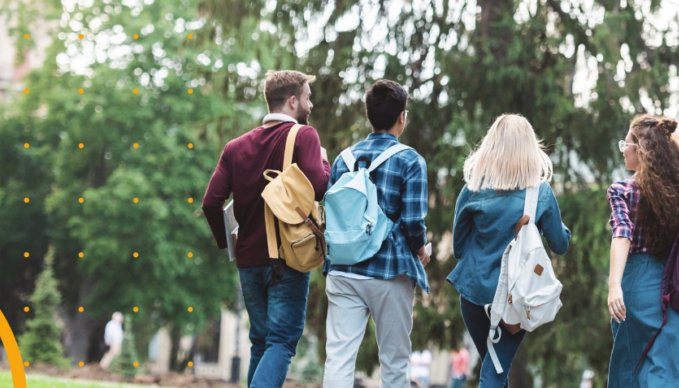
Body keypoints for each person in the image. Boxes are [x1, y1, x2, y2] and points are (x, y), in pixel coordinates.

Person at [202, 70, 331, 388]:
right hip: (287, 259)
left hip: (248, 262)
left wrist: (228, 242)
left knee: (261, 342)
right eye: (307, 97)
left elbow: (210, 203)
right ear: (292, 101)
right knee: (282, 342)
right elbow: (318, 186)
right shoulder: (304, 136)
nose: (310, 104)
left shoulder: (235, 147)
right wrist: (325, 163)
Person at [448, 114, 572, 387]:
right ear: (530, 149)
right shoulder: (540, 193)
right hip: (514, 301)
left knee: (496, 372)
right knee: (494, 373)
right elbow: (560, 246)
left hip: (473, 295)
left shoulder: (473, 190)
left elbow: (458, 249)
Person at [321, 79, 431, 388]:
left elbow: (330, 215)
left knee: (339, 358)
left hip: (343, 268)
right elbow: (412, 222)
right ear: (402, 117)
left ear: (368, 116)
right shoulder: (410, 160)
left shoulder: (343, 160)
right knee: (394, 363)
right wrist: (421, 249)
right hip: (389, 271)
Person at [606, 115, 679, 387]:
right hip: (675, 286)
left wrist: (614, 285)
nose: (623, 149)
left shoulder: (622, 190)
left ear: (640, 150)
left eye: (626, 143)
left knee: (636, 362)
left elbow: (622, 234)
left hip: (637, 284)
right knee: (674, 363)